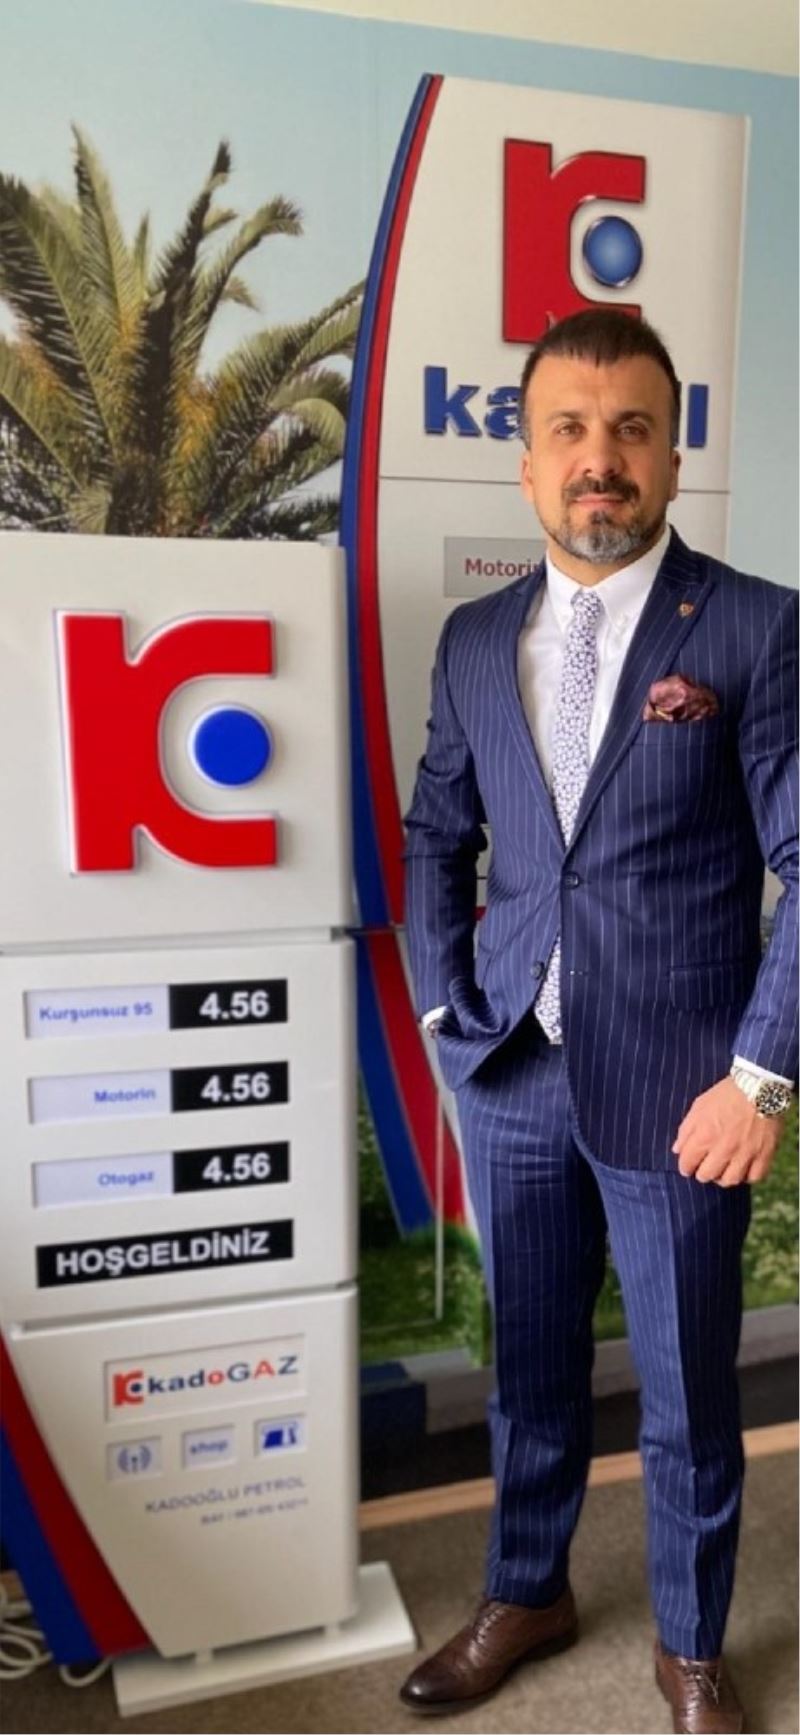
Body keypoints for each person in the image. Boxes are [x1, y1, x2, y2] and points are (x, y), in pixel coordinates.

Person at [399, 309, 797, 1734]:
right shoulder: (473, 639)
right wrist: (446, 1007)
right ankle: (526, 1591)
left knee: (687, 1390)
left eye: (632, 428)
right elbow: (436, 836)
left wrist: (761, 1080)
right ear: (526, 462)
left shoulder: (755, 627)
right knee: (529, 1367)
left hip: (687, 1088)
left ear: (674, 456)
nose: (600, 459)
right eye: (568, 428)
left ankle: (691, 1645)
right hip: (514, 1070)